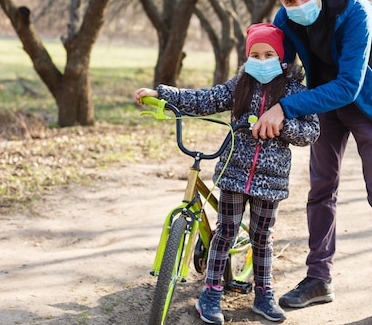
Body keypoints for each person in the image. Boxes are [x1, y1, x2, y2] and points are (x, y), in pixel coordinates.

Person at [250, 0, 372, 325]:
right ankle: (318, 279)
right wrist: (246, 95)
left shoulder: (357, 12)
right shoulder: (285, 19)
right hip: (322, 101)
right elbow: (276, 68)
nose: (298, 4)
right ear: (280, 0)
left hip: (368, 102)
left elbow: (349, 85)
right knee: (320, 190)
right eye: (289, 1)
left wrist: (285, 108)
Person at [134, 23, 320, 324]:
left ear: (282, 57)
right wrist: (163, 95)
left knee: (262, 237)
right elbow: (204, 100)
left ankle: (263, 293)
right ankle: (210, 293)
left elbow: (311, 131)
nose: (261, 61)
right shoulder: (239, 85)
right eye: (255, 55)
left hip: (270, 180)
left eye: (268, 54)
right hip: (234, 173)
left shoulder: (295, 92)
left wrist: (283, 126)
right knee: (225, 233)